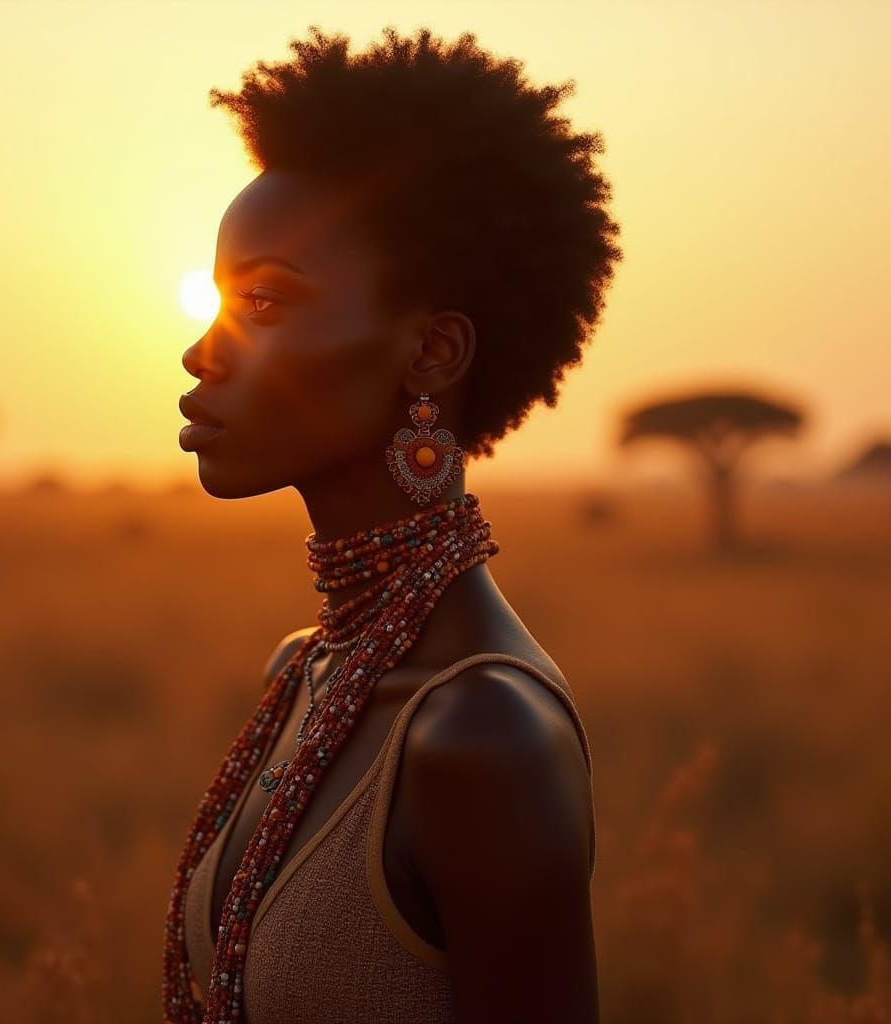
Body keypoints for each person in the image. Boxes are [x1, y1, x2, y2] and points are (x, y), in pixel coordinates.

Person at [164, 24, 622, 1024]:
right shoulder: (307, 671)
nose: (204, 352)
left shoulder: (484, 735)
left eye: (267, 302)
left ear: (431, 353)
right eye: (217, 302)